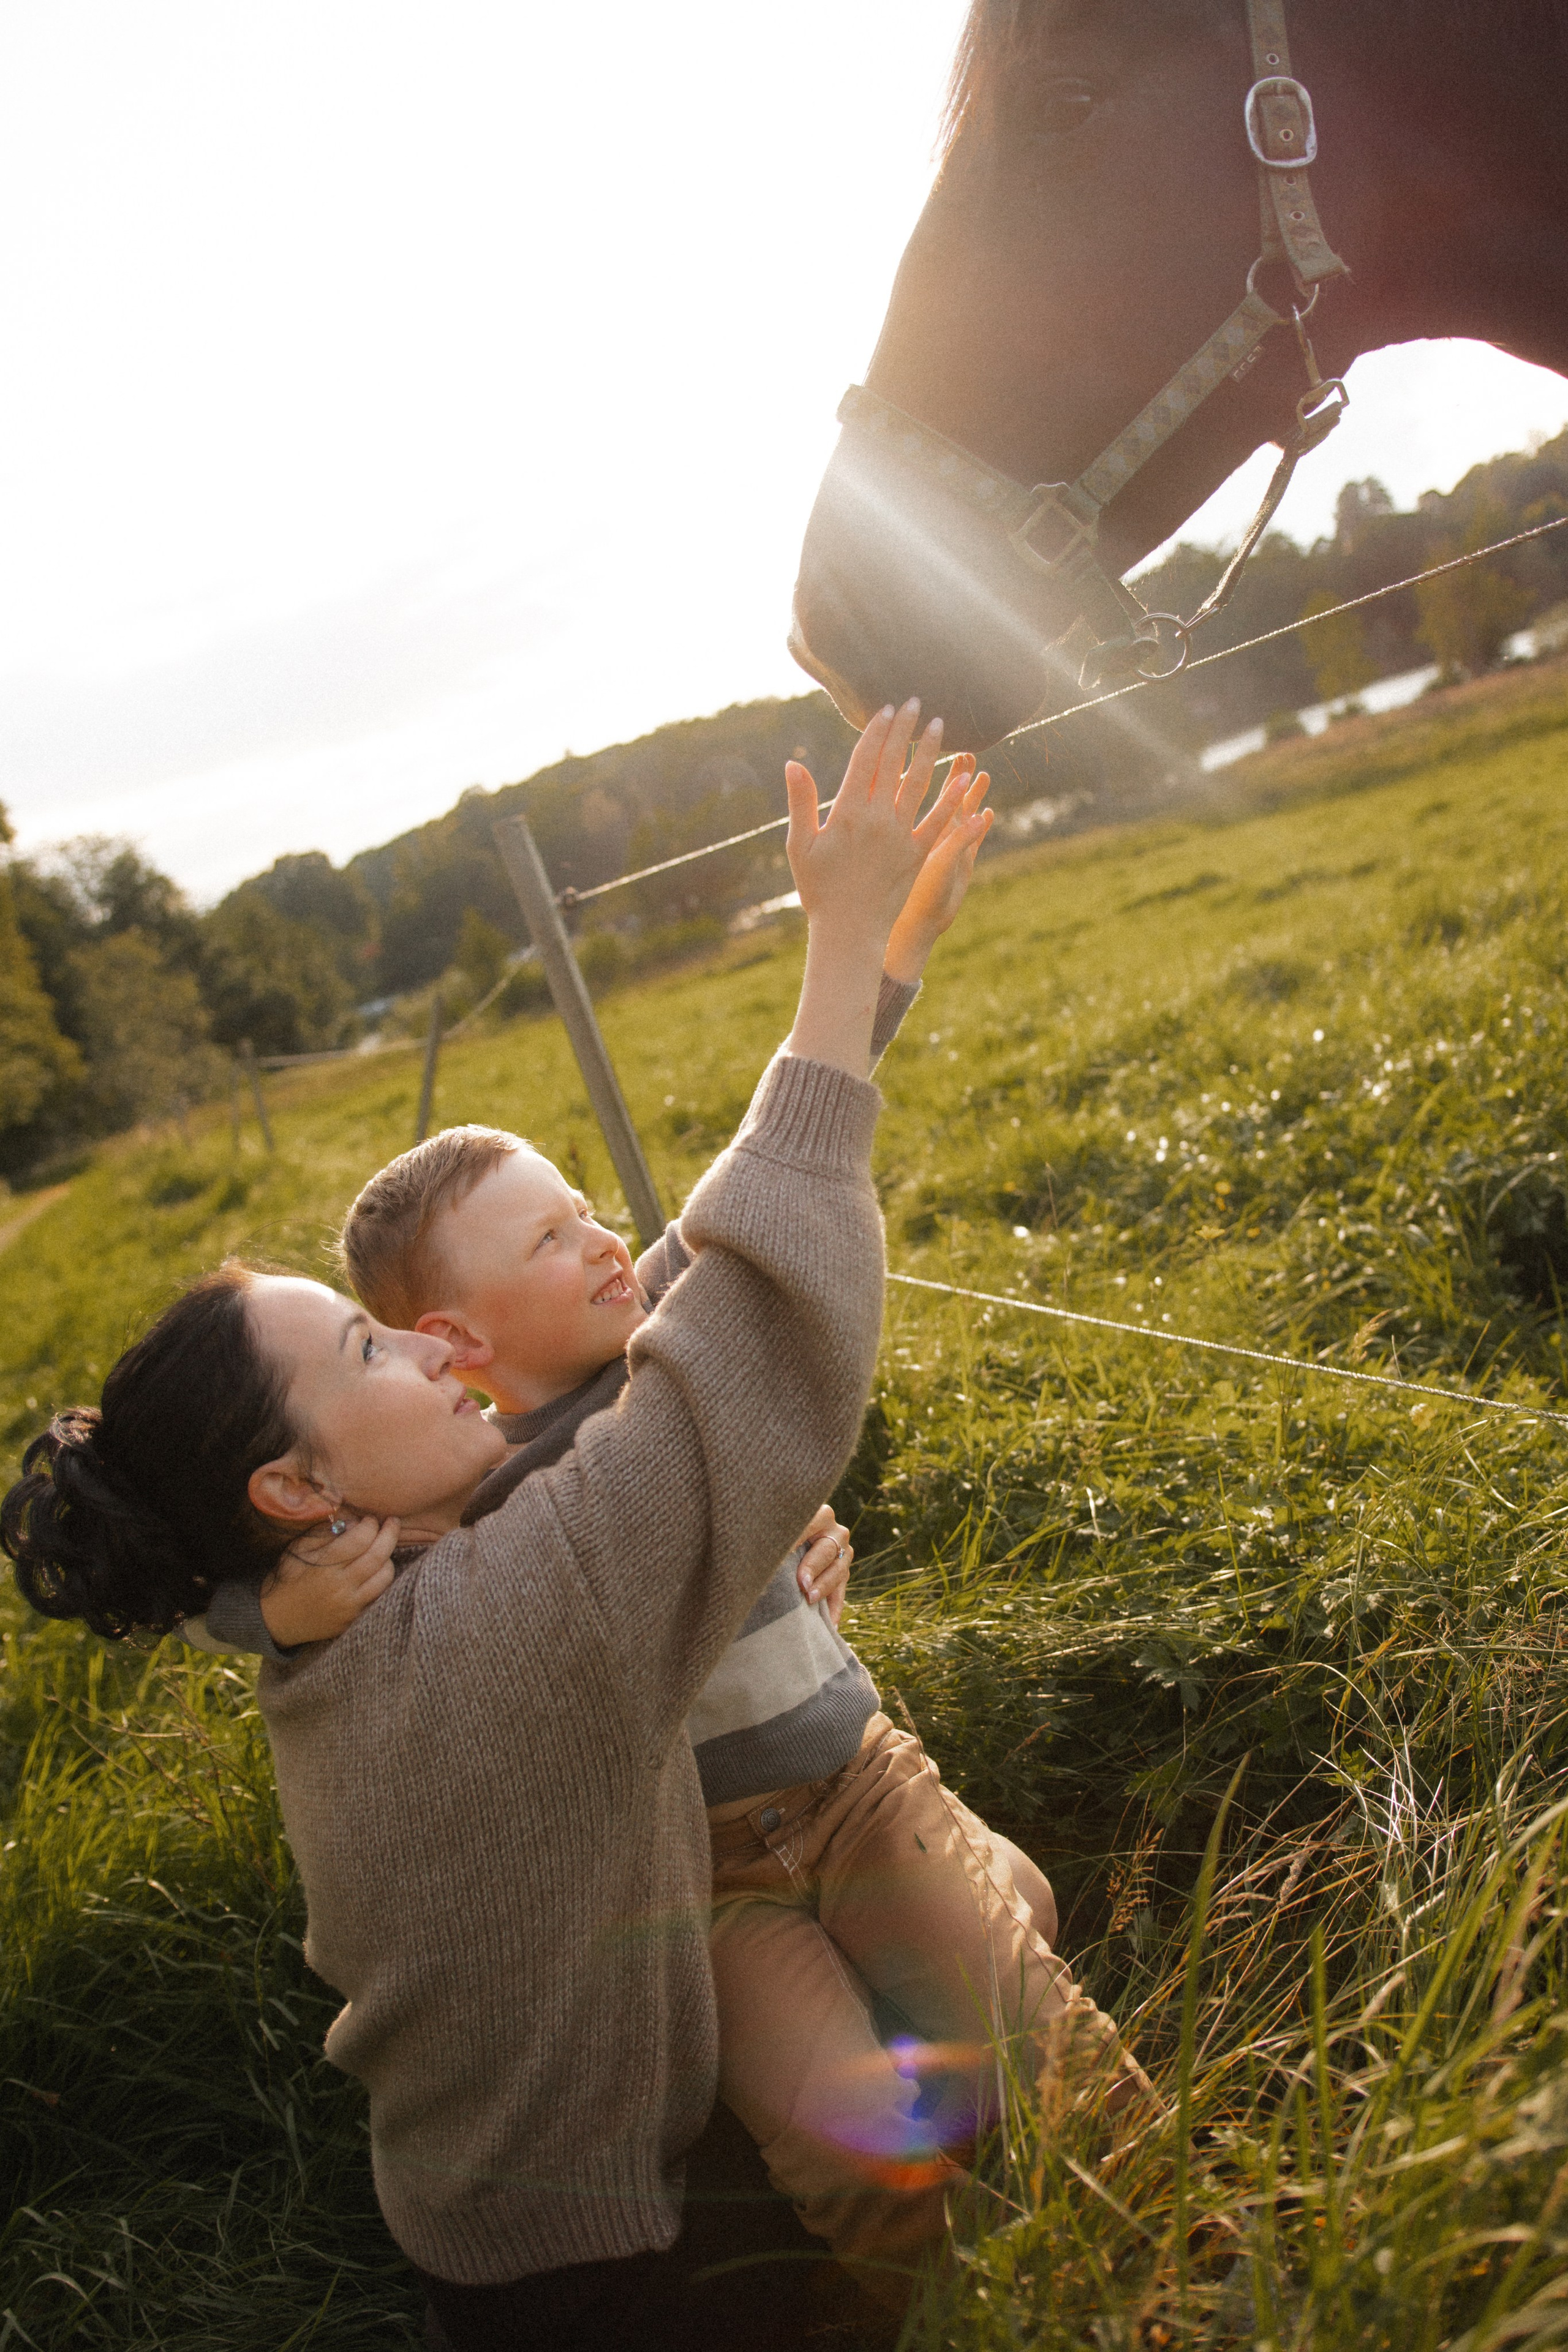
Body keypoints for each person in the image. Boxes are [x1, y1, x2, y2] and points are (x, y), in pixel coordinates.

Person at [0, 706, 968, 2350]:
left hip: (505, 2212)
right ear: (295, 1490)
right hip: (612, 2275)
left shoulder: (344, 1604)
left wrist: (864, 980)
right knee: (904, 2211)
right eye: (372, 1347)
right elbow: (729, 1345)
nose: (436, 1350)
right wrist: (838, 954)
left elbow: (647, 1307)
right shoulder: (501, 1609)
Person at [183, 748, 1139, 2301]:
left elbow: (763, 1188)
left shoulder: (670, 1344)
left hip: (854, 1782)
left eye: (589, 1209)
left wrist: (888, 957)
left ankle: (1212, 2268)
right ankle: (989, 2312)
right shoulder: (466, 1499)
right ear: (460, 1337)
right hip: (708, 1883)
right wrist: (276, 1617)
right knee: (851, 2142)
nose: (611, 1239)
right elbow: (237, 1566)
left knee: (1037, 2033)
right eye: (553, 1239)